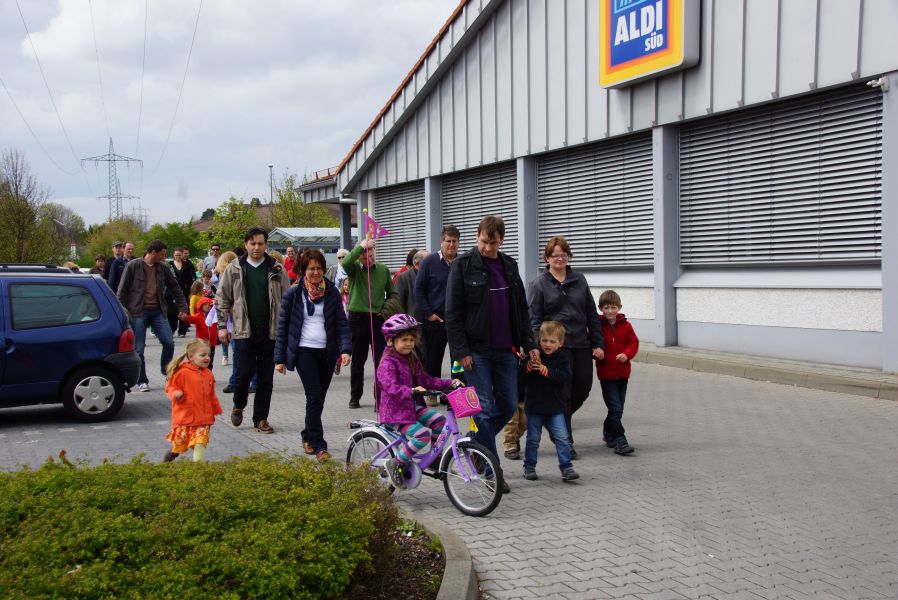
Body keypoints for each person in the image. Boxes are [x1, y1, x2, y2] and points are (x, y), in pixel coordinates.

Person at [445, 216, 536, 494]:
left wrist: (529, 343)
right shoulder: (462, 266)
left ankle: (473, 444)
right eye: (484, 241)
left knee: (508, 405)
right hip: (476, 352)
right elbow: (452, 313)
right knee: (484, 408)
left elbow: (521, 309)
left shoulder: (509, 266)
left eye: (493, 243)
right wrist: (461, 352)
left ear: (502, 241)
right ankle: (491, 470)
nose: (487, 247)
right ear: (477, 236)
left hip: (506, 349)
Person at [524, 236, 605, 459]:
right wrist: (536, 347)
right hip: (556, 347)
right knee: (564, 392)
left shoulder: (579, 280)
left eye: (564, 255)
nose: (560, 259)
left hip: (581, 343)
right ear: (547, 258)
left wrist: (598, 342)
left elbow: (591, 313)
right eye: (555, 255)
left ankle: (553, 419)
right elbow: (534, 319)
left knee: (582, 389)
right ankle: (566, 440)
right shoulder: (538, 284)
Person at [274, 249, 352, 461]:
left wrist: (346, 349)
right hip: (303, 351)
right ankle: (319, 446)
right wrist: (279, 359)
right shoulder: (293, 294)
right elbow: (283, 327)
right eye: (311, 268)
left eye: (319, 268)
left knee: (319, 399)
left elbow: (341, 323)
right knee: (314, 396)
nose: (316, 272)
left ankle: (307, 434)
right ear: (303, 270)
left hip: (327, 352)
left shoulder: (332, 292)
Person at [216, 227, 289, 434]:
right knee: (243, 375)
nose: (256, 247)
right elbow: (222, 298)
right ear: (246, 244)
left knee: (266, 379)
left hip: (269, 332)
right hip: (243, 331)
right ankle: (238, 405)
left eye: (260, 243)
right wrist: (222, 326)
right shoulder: (234, 268)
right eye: (252, 243)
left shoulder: (277, 268)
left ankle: (261, 419)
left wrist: (286, 329)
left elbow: (287, 299)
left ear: (266, 245)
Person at [376, 314, 459, 489]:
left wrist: (449, 383)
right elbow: (391, 387)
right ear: (391, 341)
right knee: (421, 435)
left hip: (410, 407)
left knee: (440, 421)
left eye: (412, 340)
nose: (409, 343)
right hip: (394, 413)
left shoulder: (411, 358)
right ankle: (396, 463)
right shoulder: (387, 363)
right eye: (404, 340)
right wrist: (411, 391)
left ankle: (434, 459)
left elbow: (426, 380)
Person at [117, 240, 189, 392]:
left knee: (169, 342)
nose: (164, 257)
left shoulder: (163, 268)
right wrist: (123, 313)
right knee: (139, 349)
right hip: (138, 312)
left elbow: (175, 288)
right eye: (162, 254)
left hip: (158, 311)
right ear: (153, 252)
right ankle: (142, 380)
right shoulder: (133, 266)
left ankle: (166, 370)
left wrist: (183, 308)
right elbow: (122, 291)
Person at [342, 238, 399, 409]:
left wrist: (386, 308)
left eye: (371, 256)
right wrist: (361, 246)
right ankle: (355, 396)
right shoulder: (354, 269)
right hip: (357, 318)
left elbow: (393, 293)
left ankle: (380, 398)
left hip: (377, 318)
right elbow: (346, 261)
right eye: (365, 257)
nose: (369, 260)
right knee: (358, 360)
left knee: (381, 360)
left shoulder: (382, 269)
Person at [521, 321, 579, 482]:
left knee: (562, 437)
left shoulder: (563, 357)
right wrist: (527, 369)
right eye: (544, 340)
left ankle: (566, 467)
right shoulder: (533, 355)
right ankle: (529, 467)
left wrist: (547, 371)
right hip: (534, 406)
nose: (547, 344)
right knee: (533, 439)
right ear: (539, 340)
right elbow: (520, 379)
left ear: (560, 343)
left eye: (552, 341)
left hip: (555, 407)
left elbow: (564, 377)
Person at [162, 338, 222, 462]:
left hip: (203, 419)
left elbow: (211, 394)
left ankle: (197, 466)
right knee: (180, 444)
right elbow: (170, 387)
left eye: (208, 355)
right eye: (203, 355)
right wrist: (175, 393)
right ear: (191, 356)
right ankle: (172, 453)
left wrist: (215, 408)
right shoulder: (182, 372)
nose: (207, 358)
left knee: (200, 441)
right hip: (186, 418)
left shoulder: (209, 374)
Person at [595, 290, 639, 456]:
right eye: (606, 307)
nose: (610, 311)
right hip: (606, 375)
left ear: (619, 307)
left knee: (617, 408)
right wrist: (596, 352)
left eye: (613, 307)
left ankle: (608, 433)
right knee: (615, 409)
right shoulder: (598, 326)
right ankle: (620, 440)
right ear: (600, 308)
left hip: (623, 373)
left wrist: (626, 354)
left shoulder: (626, 326)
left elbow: (634, 343)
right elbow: (593, 344)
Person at [415, 225, 460, 377]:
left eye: (454, 241)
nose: (451, 244)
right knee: (433, 361)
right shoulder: (429, 262)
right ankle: (433, 391)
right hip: (436, 321)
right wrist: (429, 314)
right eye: (448, 241)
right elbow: (419, 289)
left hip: (457, 321)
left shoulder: (462, 262)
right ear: (441, 242)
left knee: (458, 362)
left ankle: (458, 389)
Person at [180, 297, 219, 367]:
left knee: (210, 360)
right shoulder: (198, 315)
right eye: (205, 305)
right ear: (201, 306)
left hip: (212, 343)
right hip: (201, 342)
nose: (208, 306)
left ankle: (208, 372)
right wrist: (186, 317)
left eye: (209, 305)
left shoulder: (214, 315)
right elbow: (192, 319)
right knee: (201, 359)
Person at [169, 247, 197, 337]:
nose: (178, 256)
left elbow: (193, 276)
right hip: (173, 290)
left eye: (179, 255)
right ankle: (172, 328)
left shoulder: (187, 264)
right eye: (176, 255)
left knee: (184, 309)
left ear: (182, 255)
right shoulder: (170, 265)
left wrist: (191, 287)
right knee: (173, 311)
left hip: (185, 290)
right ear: (173, 255)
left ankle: (182, 330)